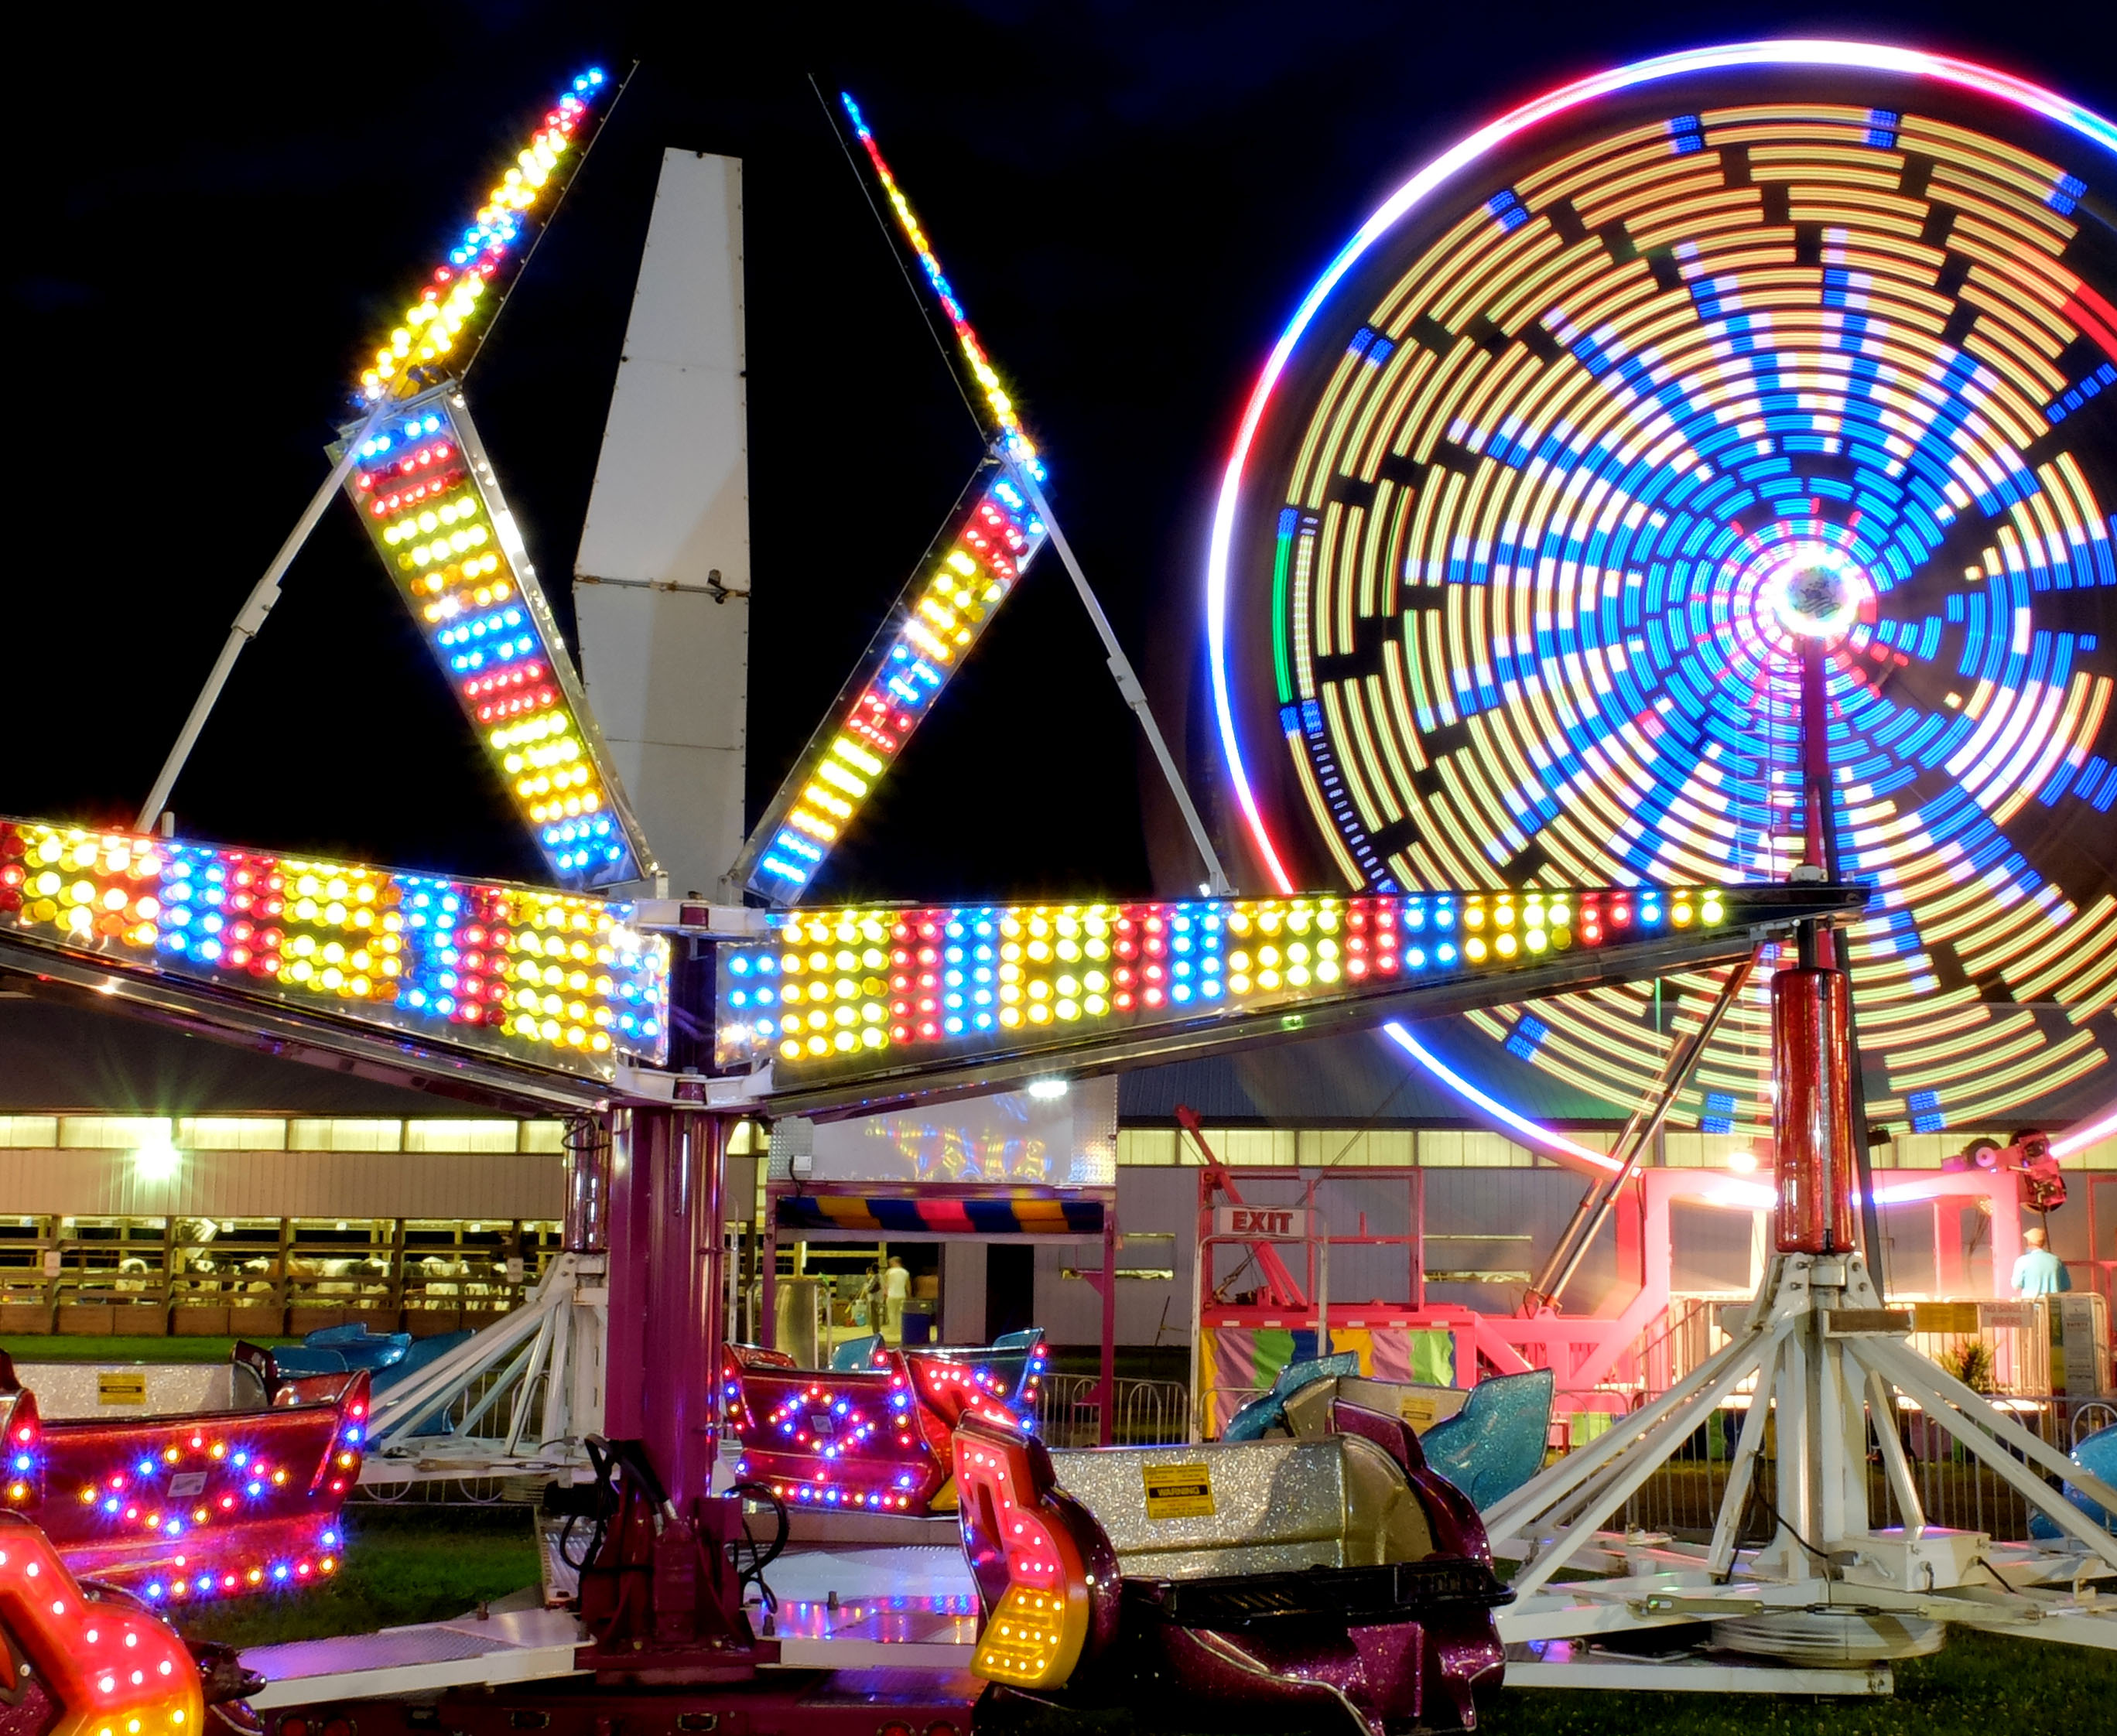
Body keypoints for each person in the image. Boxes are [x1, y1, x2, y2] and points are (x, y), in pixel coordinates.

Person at [2011, 1226, 2071, 1295]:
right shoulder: (2056, 1260)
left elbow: (2016, 1285)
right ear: (2044, 1242)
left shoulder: (2022, 1261)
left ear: (2029, 1242)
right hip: (2052, 1304)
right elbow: (2066, 1286)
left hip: (2031, 1304)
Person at [883, 1255, 910, 1336]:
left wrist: (885, 1294)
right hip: (902, 1295)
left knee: (891, 1313)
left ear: (894, 1262)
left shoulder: (889, 1272)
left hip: (891, 1295)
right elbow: (908, 1285)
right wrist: (909, 1295)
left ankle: (893, 1329)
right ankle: (900, 1329)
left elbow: (886, 1285)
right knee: (900, 1313)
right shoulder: (905, 1272)